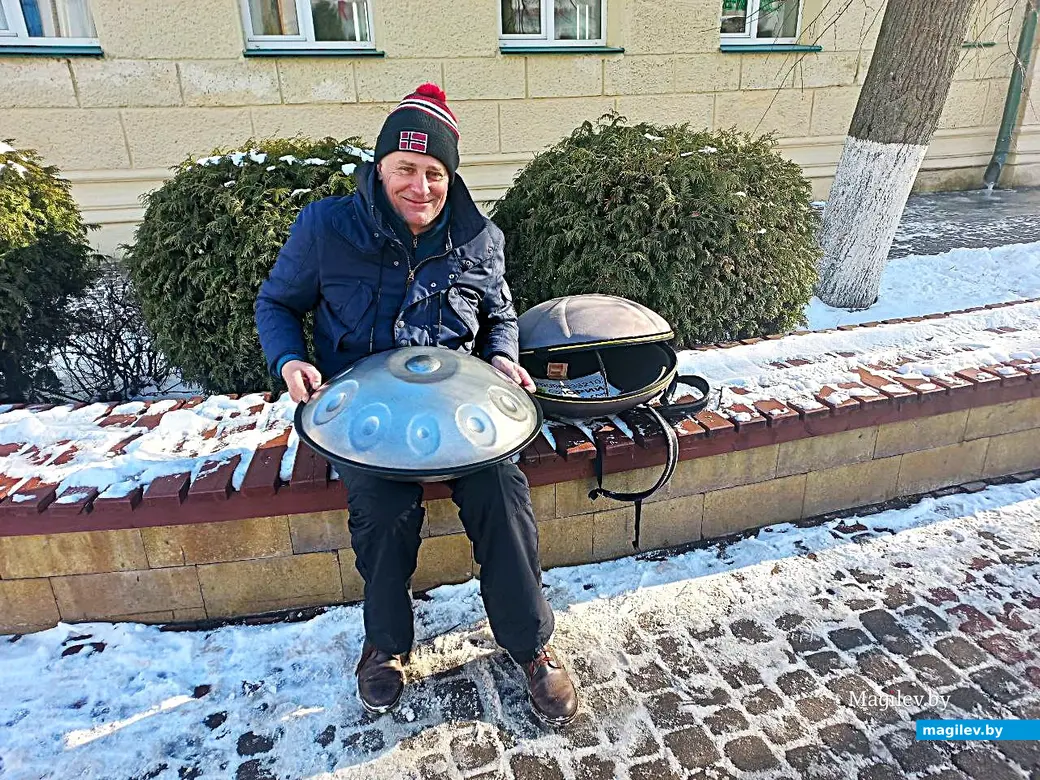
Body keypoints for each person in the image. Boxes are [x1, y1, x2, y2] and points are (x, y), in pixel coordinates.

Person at [255, 84, 578, 725]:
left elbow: (498, 315)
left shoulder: (479, 236)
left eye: (435, 172)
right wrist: (290, 359)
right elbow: (277, 303)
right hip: (366, 420)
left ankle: (530, 645)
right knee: (381, 512)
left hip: (455, 412)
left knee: (503, 496)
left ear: (450, 174)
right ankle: (387, 644)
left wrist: (504, 356)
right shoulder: (326, 228)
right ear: (380, 168)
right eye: (406, 169)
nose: (420, 187)